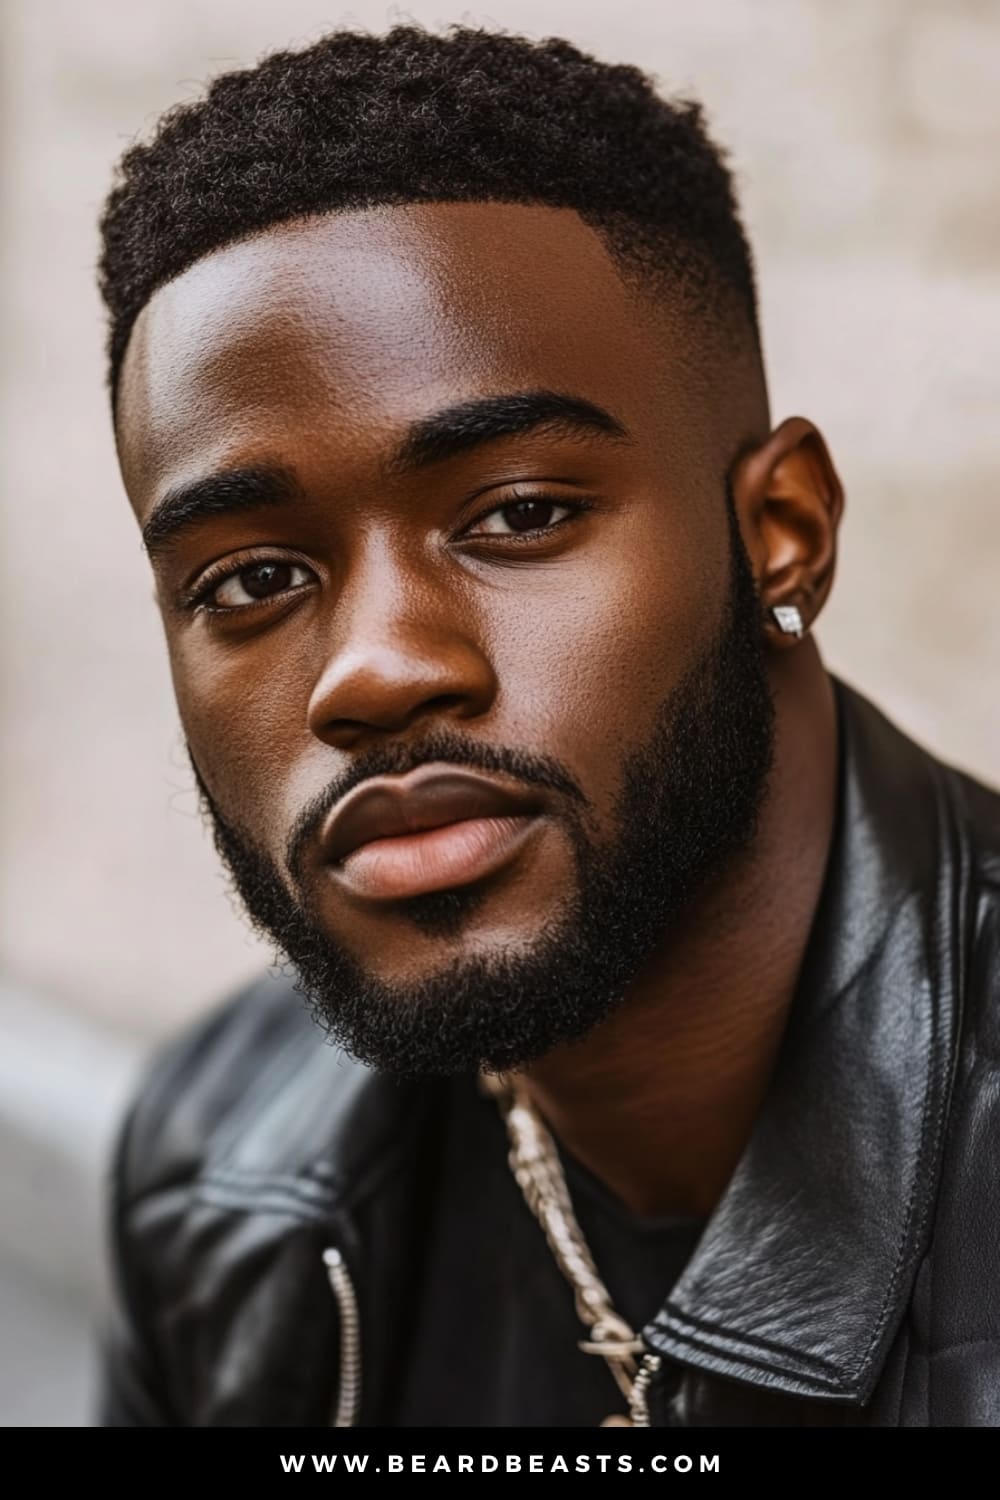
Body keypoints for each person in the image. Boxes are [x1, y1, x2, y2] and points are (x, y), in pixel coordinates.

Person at [95, 24, 1000, 1428]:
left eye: (518, 515)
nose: (376, 674)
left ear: (781, 534)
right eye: (253, 580)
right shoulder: (211, 1162)